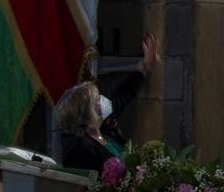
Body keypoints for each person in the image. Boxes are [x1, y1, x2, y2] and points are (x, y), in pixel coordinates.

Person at [55, 34, 161, 171]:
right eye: (96, 100)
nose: (102, 101)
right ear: (84, 115)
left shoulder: (104, 125)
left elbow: (122, 96)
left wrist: (145, 65)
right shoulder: (79, 149)